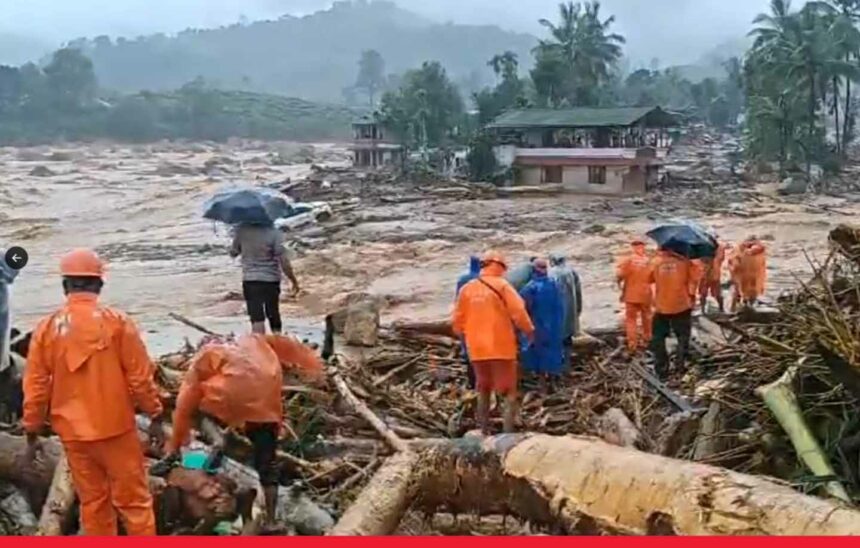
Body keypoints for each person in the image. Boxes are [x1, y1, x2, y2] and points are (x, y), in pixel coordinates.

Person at [22, 248, 165, 536]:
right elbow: (140, 377)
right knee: (135, 503)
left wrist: (32, 429)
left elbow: (36, 384)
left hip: (74, 435)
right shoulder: (118, 322)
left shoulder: (47, 328)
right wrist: (156, 414)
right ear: (99, 284)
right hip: (116, 429)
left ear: (65, 286)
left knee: (93, 503)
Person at [165, 333, 323, 527]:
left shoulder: (204, 356)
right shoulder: (253, 339)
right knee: (267, 461)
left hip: (233, 399)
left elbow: (183, 406)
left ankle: (218, 441)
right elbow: (287, 345)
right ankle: (272, 521)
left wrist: (174, 448)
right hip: (267, 394)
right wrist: (314, 367)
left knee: (198, 409)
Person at [452, 251, 534, 434]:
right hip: (501, 347)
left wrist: (466, 338)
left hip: (477, 349)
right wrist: (529, 331)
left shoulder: (467, 289)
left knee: (483, 388)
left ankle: (483, 430)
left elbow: (457, 323)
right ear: (501, 267)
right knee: (508, 392)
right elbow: (519, 312)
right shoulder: (503, 286)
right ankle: (507, 434)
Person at [230, 223, 299, 335]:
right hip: (271, 280)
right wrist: (293, 280)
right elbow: (283, 261)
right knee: (273, 312)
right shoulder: (275, 233)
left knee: (256, 315)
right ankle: (278, 342)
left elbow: (233, 253)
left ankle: (260, 345)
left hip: (250, 279)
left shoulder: (242, 231)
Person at [648, 245, 703, 378]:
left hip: (662, 306)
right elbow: (696, 278)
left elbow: (649, 279)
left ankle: (661, 369)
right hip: (681, 305)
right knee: (683, 336)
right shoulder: (685, 262)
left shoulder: (655, 262)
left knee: (658, 337)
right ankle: (680, 366)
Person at [520, 259, 565, 391]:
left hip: (538, 325)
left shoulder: (530, 287)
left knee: (538, 353)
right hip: (555, 324)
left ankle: (542, 384)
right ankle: (554, 381)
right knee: (554, 351)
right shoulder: (555, 283)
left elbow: (524, 308)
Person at [616, 238, 653, 353]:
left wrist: (619, 283)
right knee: (647, 317)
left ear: (633, 247)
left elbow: (620, 275)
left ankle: (633, 344)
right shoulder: (649, 261)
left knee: (631, 319)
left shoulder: (628, 260)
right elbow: (653, 279)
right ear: (643, 247)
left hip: (631, 294)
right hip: (646, 294)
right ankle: (648, 339)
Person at [549, 254, 580, 369]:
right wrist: (578, 310)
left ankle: (557, 367)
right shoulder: (572, 272)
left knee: (556, 340)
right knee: (567, 339)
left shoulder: (551, 274)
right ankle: (567, 365)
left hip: (556, 313)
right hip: (571, 311)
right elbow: (578, 293)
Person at [455, 256, 481, 389]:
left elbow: (457, 300)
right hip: (479, 318)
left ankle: (471, 383)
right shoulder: (481, 279)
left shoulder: (462, 279)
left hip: (465, 317)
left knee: (467, 348)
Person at [734, 236, 767, 308]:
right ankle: (749, 305)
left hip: (745, 275)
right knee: (752, 291)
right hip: (754, 275)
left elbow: (735, 262)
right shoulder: (760, 250)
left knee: (742, 291)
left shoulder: (741, 250)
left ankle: (744, 306)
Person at [699, 237, 727, 313]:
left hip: (709, 274)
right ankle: (704, 310)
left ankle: (720, 309)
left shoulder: (717, 248)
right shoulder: (718, 247)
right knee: (704, 293)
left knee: (713, 293)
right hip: (709, 274)